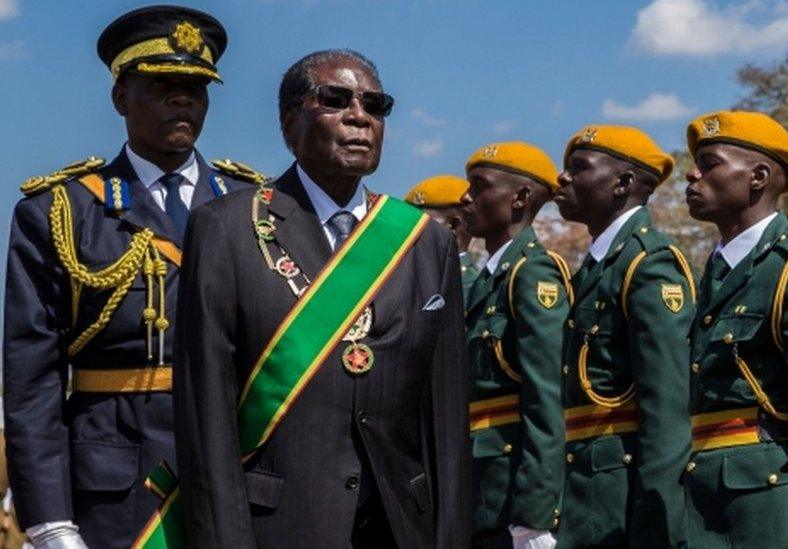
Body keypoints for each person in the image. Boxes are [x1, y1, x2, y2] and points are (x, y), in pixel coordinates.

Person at [173, 49, 470, 547]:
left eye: (376, 106)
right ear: (290, 120)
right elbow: (206, 420)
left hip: (399, 528)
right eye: (336, 99)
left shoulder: (425, 242)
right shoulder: (226, 227)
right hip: (278, 526)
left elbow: (447, 429)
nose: (360, 117)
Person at [2, 6, 255, 548]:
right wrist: (49, 521)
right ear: (120, 97)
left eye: (196, 87)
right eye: (162, 85)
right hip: (114, 487)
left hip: (235, 470)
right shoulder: (62, 210)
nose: (183, 99)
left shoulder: (252, 205)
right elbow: (33, 380)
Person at [554, 125, 696, 547]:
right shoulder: (598, 266)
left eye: (578, 168)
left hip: (623, 498)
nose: (562, 178)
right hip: (588, 492)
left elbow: (667, 409)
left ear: (623, 183)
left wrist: (658, 521)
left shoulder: (648, 264)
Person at [682, 111, 788, 547]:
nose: (692, 174)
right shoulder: (712, 272)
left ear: (757, 177)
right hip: (702, 491)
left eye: (710, 163)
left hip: (765, 497)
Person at [460, 142, 571, 548]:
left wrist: (536, 515)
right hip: (482, 491)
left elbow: (546, 397)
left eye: (479, 187)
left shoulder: (531, 274)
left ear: (520, 199)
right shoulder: (489, 280)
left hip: (512, 499)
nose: (464, 197)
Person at [405, 175, 478, 303]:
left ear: (453, 226)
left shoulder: (470, 286)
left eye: (420, 224)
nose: (409, 233)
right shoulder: (411, 278)